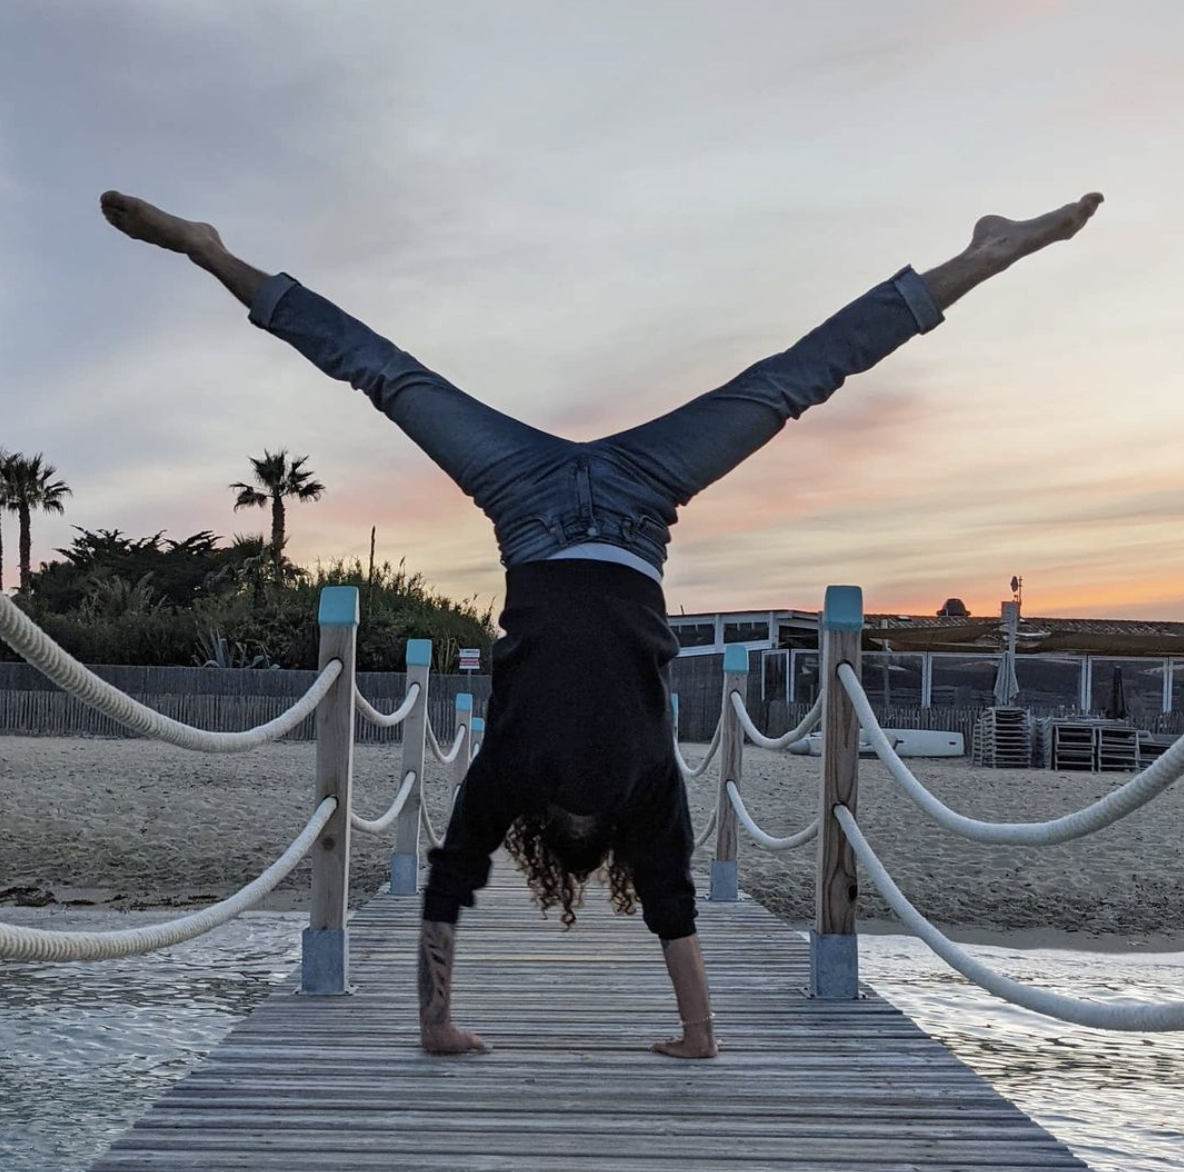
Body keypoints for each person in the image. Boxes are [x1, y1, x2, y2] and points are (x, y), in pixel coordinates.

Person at [101, 187, 1103, 1059]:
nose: (580, 824)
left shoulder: (513, 773)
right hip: (636, 503)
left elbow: (448, 890)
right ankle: (981, 254)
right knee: (794, 379)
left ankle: (210, 249)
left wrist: (435, 1020)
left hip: (530, 509)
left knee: (382, 371)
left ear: (549, 834)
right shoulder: (645, 786)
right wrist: (698, 1031)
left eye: (572, 834)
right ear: (591, 840)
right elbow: (667, 911)